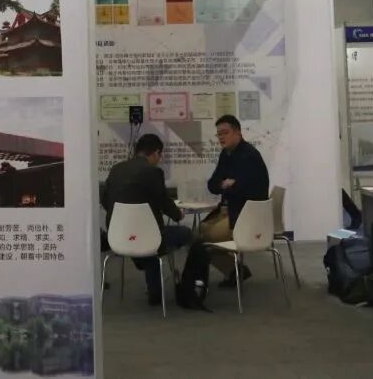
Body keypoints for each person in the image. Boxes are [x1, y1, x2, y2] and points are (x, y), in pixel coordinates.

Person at [102, 133, 192, 305]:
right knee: (185, 233)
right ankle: (183, 284)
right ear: (156, 152)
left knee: (146, 238)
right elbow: (164, 201)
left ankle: (153, 287)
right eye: (160, 155)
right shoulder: (153, 172)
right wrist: (178, 214)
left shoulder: (116, 169)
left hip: (118, 238)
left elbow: (106, 200)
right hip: (148, 238)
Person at [200, 115, 270, 287]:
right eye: (218, 134)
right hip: (230, 213)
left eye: (225, 132)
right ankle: (235, 271)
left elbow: (248, 191)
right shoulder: (226, 154)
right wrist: (226, 184)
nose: (221, 137)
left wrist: (230, 185)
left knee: (202, 241)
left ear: (238, 132)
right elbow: (212, 185)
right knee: (198, 234)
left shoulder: (250, 156)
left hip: (247, 218)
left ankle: (231, 273)